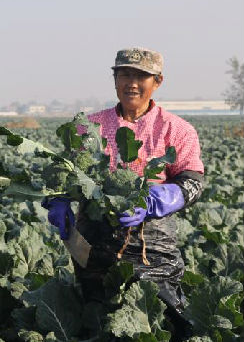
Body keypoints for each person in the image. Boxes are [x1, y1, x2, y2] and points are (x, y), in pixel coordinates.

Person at [43, 47, 205, 325]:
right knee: (95, 320)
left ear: (157, 82)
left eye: (141, 76)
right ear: (115, 79)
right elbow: (65, 174)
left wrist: (155, 200)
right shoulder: (88, 126)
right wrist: (58, 200)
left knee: (162, 321)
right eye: (124, 74)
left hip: (152, 246)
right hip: (93, 245)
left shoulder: (177, 129)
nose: (131, 83)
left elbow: (192, 181)